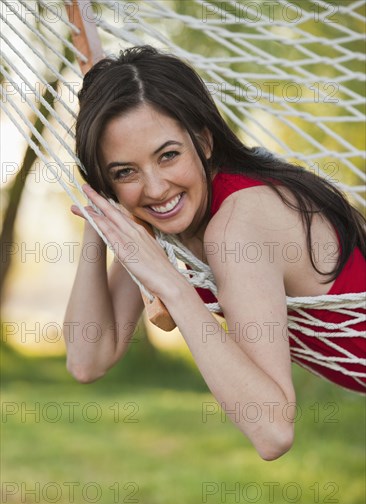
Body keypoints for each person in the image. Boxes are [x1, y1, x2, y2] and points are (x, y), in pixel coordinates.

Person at [64, 45, 366, 460]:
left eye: (168, 155)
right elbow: (88, 359)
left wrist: (172, 287)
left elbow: (273, 431)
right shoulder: (165, 227)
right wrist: (100, 220)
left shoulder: (238, 227)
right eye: (124, 171)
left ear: (204, 142)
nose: (155, 188)